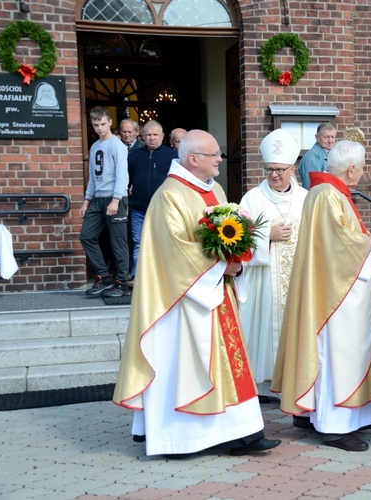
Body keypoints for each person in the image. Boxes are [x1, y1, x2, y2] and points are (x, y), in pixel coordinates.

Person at [112, 129, 281, 458]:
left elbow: (233, 235)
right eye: (214, 154)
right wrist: (220, 266)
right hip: (182, 303)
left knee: (229, 364)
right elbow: (172, 252)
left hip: (217, 295)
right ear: (193, 159)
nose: (220, 159)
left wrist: (237, 260)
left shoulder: (214, 188)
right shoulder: (169, 196)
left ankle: (241, 433)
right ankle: (181, 439)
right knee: (187, 368)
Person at [272, 140, 371, 452]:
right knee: (337, 355)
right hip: (334, 297)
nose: (362, 174)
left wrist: (361, 241)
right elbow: (339, 247)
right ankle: (335, 425)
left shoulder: (326, 192)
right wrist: (369, 243)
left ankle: (316, 414)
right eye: (362, 168)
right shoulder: (328, 196)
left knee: (334, 356)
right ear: (352, 169)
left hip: (331, 289)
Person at [239, 129, 307, 399]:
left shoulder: (305, 198)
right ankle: (264, 385)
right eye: (269, 169)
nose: (274, 175)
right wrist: (267, 236)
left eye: (279, 169)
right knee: (264, 328)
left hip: (298, 278)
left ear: (293, 169)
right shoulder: (253, 198)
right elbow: (240, 238)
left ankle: (294, 379)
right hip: (264, 281)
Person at [80, 107, 130, 299]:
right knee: (86, 235)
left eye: (102, 124)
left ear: (109, 122)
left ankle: (122, 282)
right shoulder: (94, 147)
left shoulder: (117, 145)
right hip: (97, 199)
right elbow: (93, 178)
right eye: (95, 125)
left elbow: (122, 175)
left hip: (114, 198)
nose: (99, 128)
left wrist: (116, 199)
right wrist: (86, 201)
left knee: (118, 242)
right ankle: (103, 275)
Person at [127, 120, 178, 280]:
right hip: (139, 209)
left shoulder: (172, 156)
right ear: (142, 136)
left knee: (164, 242)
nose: (152, 138)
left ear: (162, 136)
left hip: (163, 208)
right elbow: (127, 180)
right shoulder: (134, 156)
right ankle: (137, 277)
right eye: (148, 135)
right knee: (139, 243)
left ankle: (164, 277)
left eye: (155, 135)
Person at [298, 122, 336, 189]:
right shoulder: (311, 158)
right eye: (326, 137)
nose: (330, 141)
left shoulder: (329, 154)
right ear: (317, 137)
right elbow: (312, 188)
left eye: (332, 137)